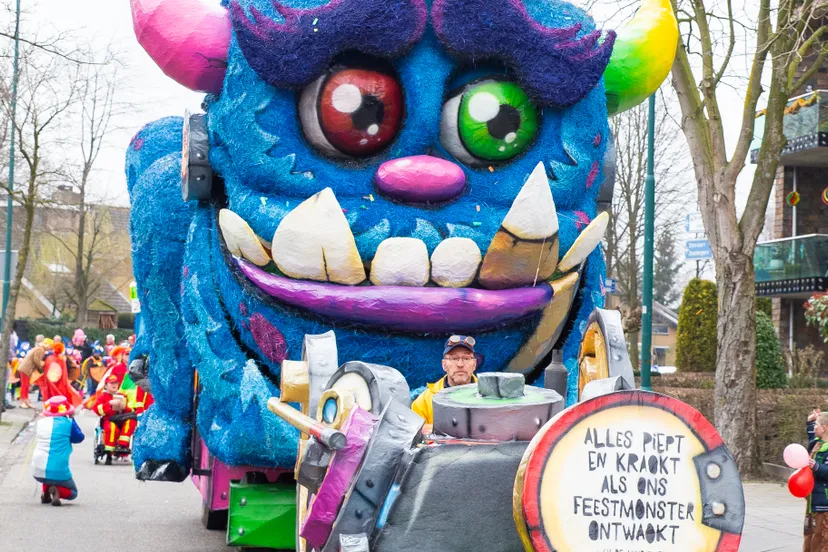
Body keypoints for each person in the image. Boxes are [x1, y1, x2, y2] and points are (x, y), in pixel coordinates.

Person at [411, 335, 479, 426]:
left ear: (474, 364)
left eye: (466, 358)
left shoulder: (490, 397)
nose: (460, 364)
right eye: (454, 358)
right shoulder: (424, 402)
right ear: (444, 365)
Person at [32, 396, 84, 506]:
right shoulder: (68, 423)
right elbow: (79, 438)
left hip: (37, 470)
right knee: (73, 492)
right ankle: (58, 491)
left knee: (48, 476)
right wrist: (72, 419)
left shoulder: (41, 423)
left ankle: (46, 492)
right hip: (59, 471)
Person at [93, 374, 136, 464]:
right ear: (106, 385)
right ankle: (109, 452)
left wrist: (124, 407)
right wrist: (109, 404)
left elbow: (129, 410)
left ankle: (122, 445)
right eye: (111, 383)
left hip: (122, 419)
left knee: (131, 421)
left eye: (116, 383)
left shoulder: (122, 396)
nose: (114, 385)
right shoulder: (102, 397)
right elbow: (97, 410)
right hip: (109, 419)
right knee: (111, 427)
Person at [805, 408, 828, 551]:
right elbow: (810, 442)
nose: (814, 428)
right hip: (812, 499)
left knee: (821, 536)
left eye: (816, 425)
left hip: (824, 502)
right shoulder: (817, 443)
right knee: (810, 533)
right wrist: (810, 422)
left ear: (824, 428)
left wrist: (816, 466)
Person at [16, 339, 53, 409]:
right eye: (50, 346)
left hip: (26, 368)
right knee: (25, 385)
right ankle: (22, 402)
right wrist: (41, 369)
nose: (50, 348)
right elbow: (36, 360)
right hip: (26, 368)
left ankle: (26, 401)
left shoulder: (39, 348)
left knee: (26, 385)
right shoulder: (40, 350)